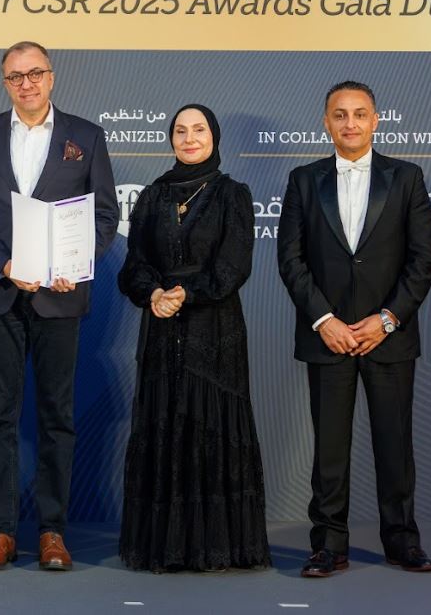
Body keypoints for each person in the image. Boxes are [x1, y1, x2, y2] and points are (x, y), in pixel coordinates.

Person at [0, 41, 118, 571]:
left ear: (51, 77)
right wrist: (3, 265)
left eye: (34, 74)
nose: (25, 84)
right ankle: (0, 532)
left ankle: (52, 532)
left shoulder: (86, 136)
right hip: (0, 294)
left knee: (56, 418)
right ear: (5, 83)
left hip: (60, 296)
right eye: (14, 77)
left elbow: (105, 216)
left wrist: (76, 261)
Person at [277, 81, 431, 578]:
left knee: (395, 446)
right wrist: (325, 321)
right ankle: (328, 545)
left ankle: (402, 541)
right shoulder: (304, 180)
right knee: (329, 451)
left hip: (388, 336)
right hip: (328, 337)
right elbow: (291, 259)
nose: (350, 123)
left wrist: (387, 319)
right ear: (325, 122)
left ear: (375, 120)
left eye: (360, 114)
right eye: (340, 115)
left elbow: (423, 259)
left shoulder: (407, 177)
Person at [117, 104, 270, 572]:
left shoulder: (232, 195)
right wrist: (154, 293)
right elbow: (133, 265)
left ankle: (216, 546)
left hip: (214, 334)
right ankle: (164, 547)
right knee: (165, 425)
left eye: (198, 130)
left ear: (214, 136)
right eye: (180, 131)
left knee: (210, 427)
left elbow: (233, 266)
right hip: (161, 332)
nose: (188, 138)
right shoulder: (152, 196)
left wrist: (187, 292)